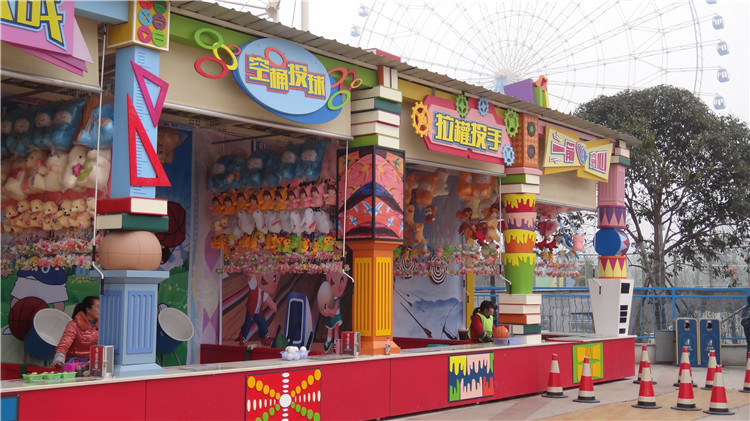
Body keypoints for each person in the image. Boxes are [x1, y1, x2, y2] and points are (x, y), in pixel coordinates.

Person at [51, 296, 99, 369]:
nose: (102, 309)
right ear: (88, 309)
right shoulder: (73, 325)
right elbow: (64, 344)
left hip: (93, 367)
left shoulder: (102, 326)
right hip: (73, 367)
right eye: (98, 307)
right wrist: (59, 360)